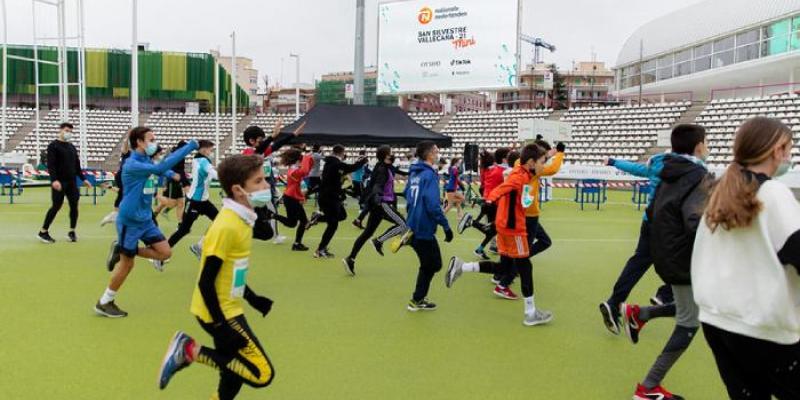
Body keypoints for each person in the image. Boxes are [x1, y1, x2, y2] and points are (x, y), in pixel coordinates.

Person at [692, 117, 800, 400]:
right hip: (763, 327)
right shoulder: (774, 193)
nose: (789, 155)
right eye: (788, 148)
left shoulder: (719, 194)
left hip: (718, 321)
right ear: (777, 150)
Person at [157, 154, 275, 400]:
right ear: (238, 190)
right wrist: (221, 327)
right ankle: (188, 350)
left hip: (226, 306)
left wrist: (253, 299)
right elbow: (206, 281)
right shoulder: (227, 226)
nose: (266, 186)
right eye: (259, 181)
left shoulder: (242, 219)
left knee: (232, 373)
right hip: (220, 312)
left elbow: (233, 270)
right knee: (261, 373)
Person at [620, 124, 710, 400]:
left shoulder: (666, 169)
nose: (708, 147)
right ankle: (647, 388)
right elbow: (695, 221)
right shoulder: (697, 175)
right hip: (684, 258)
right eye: (706, 143)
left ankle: (641, 314)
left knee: (701, 307)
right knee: (689, 322)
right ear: (698, 147)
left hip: (667, 253)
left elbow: (654, 211)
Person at [445, 144, 554, 327]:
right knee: (525, 267)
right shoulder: (519, 177)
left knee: (504, 268)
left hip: (504, 226)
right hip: (514, 229)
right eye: (542, 162)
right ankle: (530, 313)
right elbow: (504, 188)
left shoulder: (523, 172)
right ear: (531, 162)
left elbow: (514, 190)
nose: (544, 166)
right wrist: (490, 199)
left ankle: (462, 267)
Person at [97, 127, 198, 318]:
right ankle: (105, 301)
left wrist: (171, 175)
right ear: (139, 143)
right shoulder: (132, 164)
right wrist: (190, 147)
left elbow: (158, 170)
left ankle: (123, 248)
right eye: (151, 140)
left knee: (164, 252)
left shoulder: (146, 160)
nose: (154, 143)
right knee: (127, 265)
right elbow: (157, 169)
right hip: (130, 220)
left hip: (146, 218)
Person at [598, 148, 675, 336]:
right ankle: (665, 295)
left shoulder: (656, 164)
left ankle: (614, 302)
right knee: (684, 260)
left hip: (649, 221)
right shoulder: (689, 168)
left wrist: (613, 161)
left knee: (638, 263)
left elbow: (635, 168)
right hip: (669, 224)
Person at [343, 146, 409, 274]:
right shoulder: (382, 169)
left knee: (367, 233)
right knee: (403, 225)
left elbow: (399, 171)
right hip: (381, 203)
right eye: (391, 153)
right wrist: (378, 198)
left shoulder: (386, 166)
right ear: (386, 155)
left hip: (377, 204)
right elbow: (377, 185)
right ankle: (378, 241)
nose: (393, 154)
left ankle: (350, 258)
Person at [404, 141, 453, 311]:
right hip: (424, 226)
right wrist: (446, 226)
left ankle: (418, 298)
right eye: (436, 151)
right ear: (429, 154)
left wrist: (411, 218)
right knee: (433, 264)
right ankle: (417, 299)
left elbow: (407, 195)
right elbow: (432, 205)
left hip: (414, 224)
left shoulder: (415, 173)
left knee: (429, 264)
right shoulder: (429, 175)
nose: (438, 154)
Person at [162, 140, 218, 266]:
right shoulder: (203, 161)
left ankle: (200, 245)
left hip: (203, 200)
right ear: (203, 150)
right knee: (183, 230)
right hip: (195, 201)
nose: (212, 152)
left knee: (219, 221)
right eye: (210, 150)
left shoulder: (198, 159)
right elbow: (214, 174)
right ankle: (161, 253)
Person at [308, 144, 367, 261]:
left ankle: (317, 218)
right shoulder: (336, 164)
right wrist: (362, 162)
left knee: (342, 216)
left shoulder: (330, 163)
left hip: (331, 197)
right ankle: (320, 250)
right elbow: (351, 168)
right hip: (329, 198)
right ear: (341, 152)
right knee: (333, 224)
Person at [38, 122, 91, 243]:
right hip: (59, 182)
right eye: (67, 130)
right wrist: (54, 180)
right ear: (61, 130)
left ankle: (72, 232)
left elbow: (77, 166)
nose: (69, 133)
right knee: (56, 206)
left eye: (71, 131)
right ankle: (43, 232)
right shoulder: (53, 146)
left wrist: (84, 179)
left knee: (74, 206)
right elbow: (51, 165)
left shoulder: (72, 147)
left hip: (72, 182)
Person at [457, 148, 511, 260]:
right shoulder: (503, 172)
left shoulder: (491, 169)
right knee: (496, 228)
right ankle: (471, 222)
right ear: (504, 158)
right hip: (494, 203)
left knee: (493, 230)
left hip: (488, 200)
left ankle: (481, 248)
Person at [279, 147, 314, 251]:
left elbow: (307, 170)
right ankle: (297, 244)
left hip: (290, 198)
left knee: (292, 223)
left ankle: (272, 215)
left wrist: (307, 158)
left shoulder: (293, 168)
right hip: (291, 198)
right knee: (302, 222)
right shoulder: (293, 171)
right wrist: (306, 157)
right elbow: (305, 170)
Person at [153, 141, 190, 222]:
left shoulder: (180, 155)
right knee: (172, 203)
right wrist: (165, 183)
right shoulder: (175, 155)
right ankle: (153, 216)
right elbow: (165, 168)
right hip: (172, 181)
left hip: (177, 181)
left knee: (180, 203)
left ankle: (180, 225)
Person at [100, 133, 131, 227]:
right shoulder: (128, 153)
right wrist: (128, 137)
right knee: (125, 194)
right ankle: (115, 215)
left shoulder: (138, 155)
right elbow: (124, 148)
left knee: (124, 193)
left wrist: (110, 187)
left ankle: (116, 215)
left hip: (128, 176)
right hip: (123, 175)